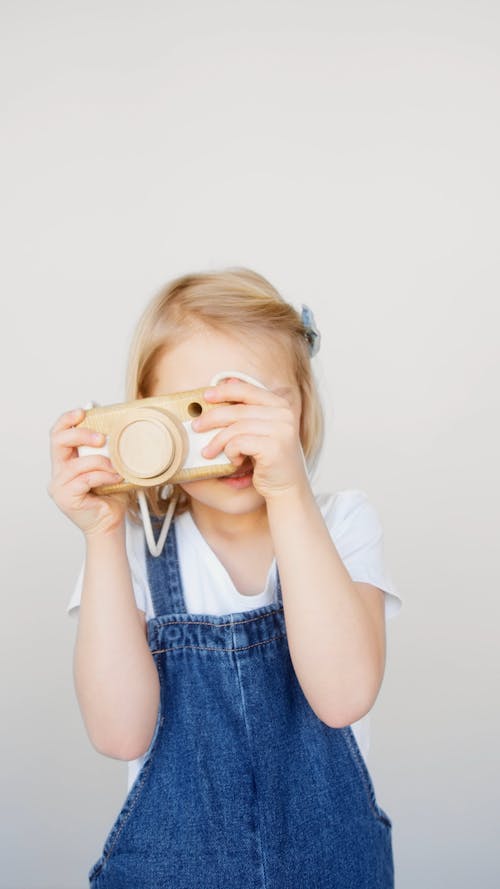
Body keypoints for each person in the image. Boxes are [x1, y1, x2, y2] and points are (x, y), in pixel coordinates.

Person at [48, 267, 402, 889]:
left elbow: (343, 695)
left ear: (301, 408)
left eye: (254, 407)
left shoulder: (343, 523)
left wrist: (288, 488)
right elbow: (118, 733)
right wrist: (102, 533)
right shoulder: (131, 548)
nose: (228, 439)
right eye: (196, 414)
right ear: (143, 421)